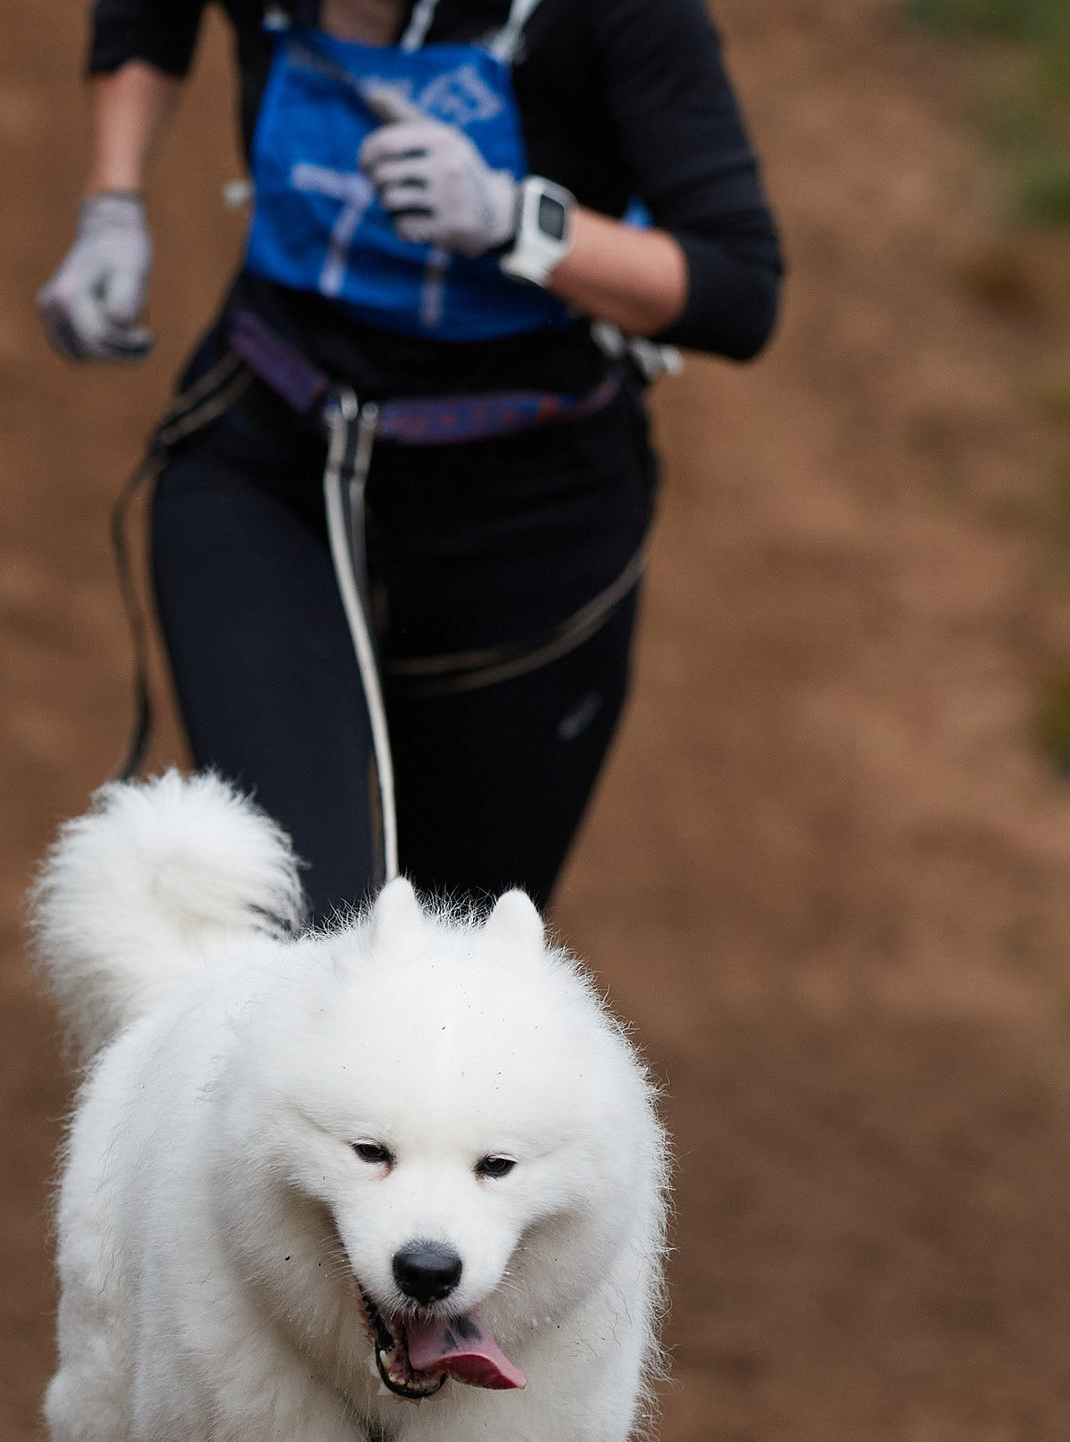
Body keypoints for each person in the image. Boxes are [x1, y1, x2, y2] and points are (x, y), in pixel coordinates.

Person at [39, 0, 782, 926]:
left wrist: (520, 221)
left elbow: (741, 288)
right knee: (299, 930)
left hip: (525, 527)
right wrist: (112, 203)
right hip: (267, 458)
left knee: (448, 978)